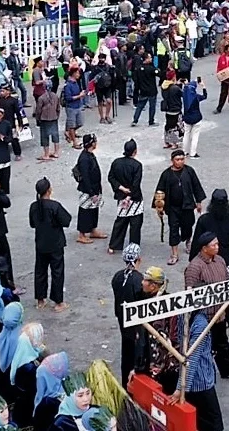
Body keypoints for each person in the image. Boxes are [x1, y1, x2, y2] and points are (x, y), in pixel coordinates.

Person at [184, 232, 229, 381]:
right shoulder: (195, 267)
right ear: (204, 248)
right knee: (199, 348)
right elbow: (190, 295)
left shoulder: (220, 261)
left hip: (219, 315)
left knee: (222, 345)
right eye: (214, 245)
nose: (217, 247)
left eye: (217, 244)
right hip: (203, 318)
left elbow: (227, 287)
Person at [154, 150, 206, 265]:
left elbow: (196, 186)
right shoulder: (166, 174)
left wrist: (198, 202)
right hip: (172, 207)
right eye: (178, 160)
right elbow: (160, 191)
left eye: (182, 159)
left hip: (187, 205)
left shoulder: (189, 171)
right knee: (173, 229)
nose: (180, 162)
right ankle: (174, 254)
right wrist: (159, 207)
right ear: (172, 160)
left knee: (188, 225)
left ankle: (188, 241)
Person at [30, 177, 71, 312]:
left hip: (40, 243)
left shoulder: (34, 206)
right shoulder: (54, 206)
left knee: (40, 271)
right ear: (49, 190)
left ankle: (40, 300)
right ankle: (58, 301)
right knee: (57, 272)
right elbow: (66, 220)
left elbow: (32, 224)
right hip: (55, 243)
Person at [183, 308, 226, 431]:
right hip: (201, 383)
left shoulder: (184, 317)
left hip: (193, 382)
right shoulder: (200, 323)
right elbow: (193, 358)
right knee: (213, 423)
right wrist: (182, 388)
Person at [111, 243, 144, 382]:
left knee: (126, 350)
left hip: (122, 319)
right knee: (138, 352)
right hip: (136, 322)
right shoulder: (139, 279)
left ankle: (125, 382)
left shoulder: (117, 276)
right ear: (138, 259)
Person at [107, 139, 145, 252]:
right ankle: (134, 247)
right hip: (135, 198)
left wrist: (121, 188)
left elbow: (111, 177)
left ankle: (113, 246)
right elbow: (136, 183)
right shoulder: (137, 165)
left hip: (121, 196)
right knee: (135, 224)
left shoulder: (116, 162)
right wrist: (129, 195)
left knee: (120, 222)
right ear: (135, 151)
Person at [73, 134, 106, 244]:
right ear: (92, 143)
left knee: (93, 209)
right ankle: (81, 234)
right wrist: (92, 193)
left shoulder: (89, 155)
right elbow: (86, 177)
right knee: (85, 211)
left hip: (94, 188)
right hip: (87, 190)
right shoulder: (84, 158)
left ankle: (92, 229)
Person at [131, 53, 160, 127]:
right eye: (150, 58)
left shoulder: (138, 69)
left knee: (140, 106)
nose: (151, 59)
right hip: (152, 91)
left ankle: (135, 120)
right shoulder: (151, 69)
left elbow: (136, 80)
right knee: (152, 106)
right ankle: (151, 120)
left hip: (143, 90)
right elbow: (159, 73)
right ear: (146, 59)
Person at [182, 78, 208, 157]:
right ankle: (193, 153)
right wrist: (203, 86)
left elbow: (186, 89)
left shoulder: (184, 95)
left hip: (187, 118)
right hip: (196, 118)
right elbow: (205, 96)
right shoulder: (196, 97)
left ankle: (184, 151)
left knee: (186, 135)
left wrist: (186, 84)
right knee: (195, 136)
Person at [62, 68, 87, 148]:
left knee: (80, 123)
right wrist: (80, 96)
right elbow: (68, 98)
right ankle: (74, 142)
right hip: (71, 107)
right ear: (73, 74)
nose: (79, 75)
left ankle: (69, 132)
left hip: (77, 106)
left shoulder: (76, 83)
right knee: (72, 125)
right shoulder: (68, 85)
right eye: (77, 73)